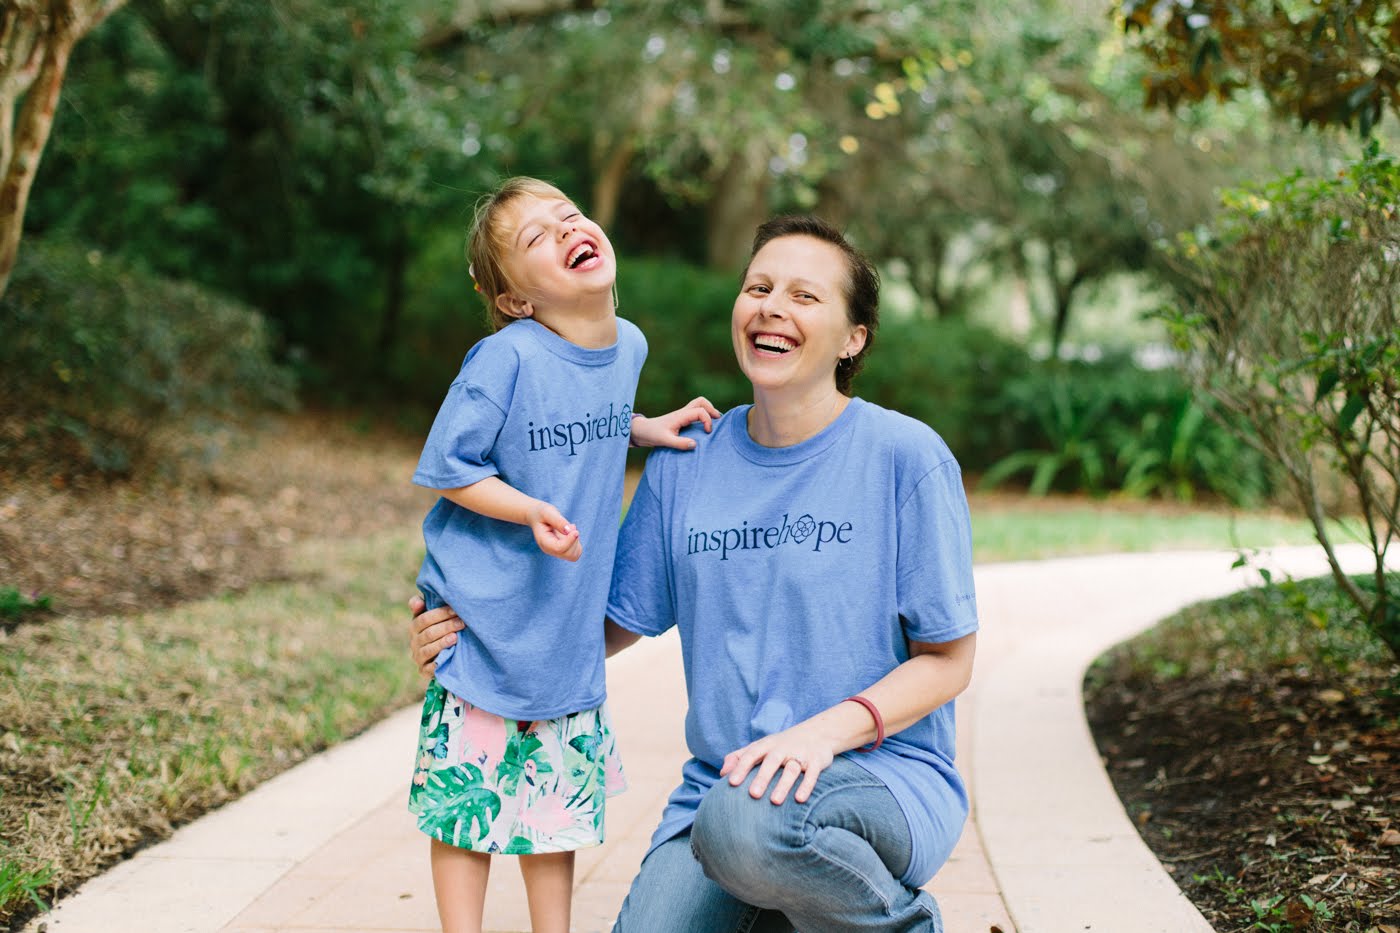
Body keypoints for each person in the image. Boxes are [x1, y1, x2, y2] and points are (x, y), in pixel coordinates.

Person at [410, 215, 978, 932]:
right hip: (721, 791)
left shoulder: (905, 458)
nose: (772, 306)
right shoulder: (686, 465)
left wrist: (820, 735)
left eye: (805, 297)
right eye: (759, 287)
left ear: (854, 336)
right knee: (732, 832)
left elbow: (950, 661)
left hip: (881, 775)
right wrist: (465, 635)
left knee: (755, 825)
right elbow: (594, 625)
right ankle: (791, 907)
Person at [407, 176, 719, 933]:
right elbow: (450, 464)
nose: (565, 230)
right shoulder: (503, 358)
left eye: (568, 216)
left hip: (560, 627)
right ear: (516, 299)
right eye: (535, 239)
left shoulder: (629, 344)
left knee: (555, 805)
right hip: (487, 613)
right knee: (465, 801)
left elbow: (595, 413)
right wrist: (529, 507)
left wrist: (647, 428)